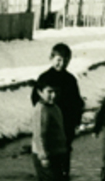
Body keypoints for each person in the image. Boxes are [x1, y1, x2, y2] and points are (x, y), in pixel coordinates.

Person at [30, 43, 84, 179]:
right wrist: (44, 111)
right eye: (59, 60)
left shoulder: (70, 80)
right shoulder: (45, 78)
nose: (62, 63)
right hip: (50, 123)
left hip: (66, 123)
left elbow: (77, 102)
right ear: (51, 58)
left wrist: (76, 120)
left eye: (66, 60)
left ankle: (64, 174)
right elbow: (35, 97)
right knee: (49, 161)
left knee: (64, 154)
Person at [30, 82, 68, 181]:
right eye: (49, 92)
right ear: (40, 92)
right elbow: (38, 135)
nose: (54, 95)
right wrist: (43, 157)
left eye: (57, 91)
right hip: (46, 156)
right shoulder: (42, 110)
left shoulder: (54, 107)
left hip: (57, 153)